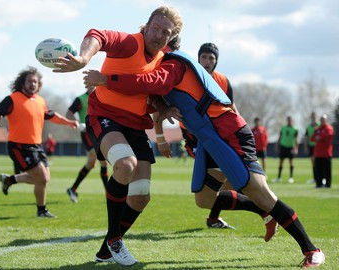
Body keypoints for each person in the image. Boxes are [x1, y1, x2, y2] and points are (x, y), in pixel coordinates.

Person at [83, 50, 325, 267]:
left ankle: (311, 249)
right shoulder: (165, 67)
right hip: (209, 140)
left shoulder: (173, 64)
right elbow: (150, 96)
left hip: (229, 134)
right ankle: (263, 211)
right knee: (204, 199)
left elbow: (150, 82)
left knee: (258, 190)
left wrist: (106, 79)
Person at [53, 6, 183, 266]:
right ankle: (115, 240)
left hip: (136, 124)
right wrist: (83, 58)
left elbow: (150, 92)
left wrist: (163, 108)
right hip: (104, 114)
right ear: (146, 26)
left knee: (141, 195)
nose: (158, 35)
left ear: (171, 38)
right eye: (155, 28)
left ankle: (105, 251)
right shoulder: (128, 43)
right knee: (125, 164)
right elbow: (97, 35)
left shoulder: (164, 60)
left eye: (165, 33)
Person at [155, 42, 238, 230]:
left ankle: (213, 218)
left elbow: (231, 108)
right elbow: (158, 108)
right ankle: (220, 215)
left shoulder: (223, 81)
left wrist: (241, 130)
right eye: (204, 57)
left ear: (216, 61)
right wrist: (161, 140)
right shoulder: (187, 77)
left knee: (227, 179)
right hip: (193, 136)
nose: (207, 61)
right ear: (198, 59)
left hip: (217, 133)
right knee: (222, 174)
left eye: (211, 58)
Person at [0, 66, 79, 218]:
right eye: (29, 81)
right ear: (22, 83)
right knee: (41, 178)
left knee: (44, 179)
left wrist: (68, 122)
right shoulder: (13, 98)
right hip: (18, 146)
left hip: (37, 146)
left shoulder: (40, 101)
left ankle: (10, 180)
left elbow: (52, 115)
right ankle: (41, 211)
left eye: (35, 81)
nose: (33, 84)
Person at [65, 84, 109, 203]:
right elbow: (68, 114)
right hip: (87, 133)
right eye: (89, 83)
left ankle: (72, 189)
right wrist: (78, 124)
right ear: (86, 84)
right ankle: (108, 193)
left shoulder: (101, 97)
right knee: (103, 161)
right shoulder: (80, 99)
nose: (91, 86)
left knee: (91, 164)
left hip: (99, 132)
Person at [273, 116, 298, 184]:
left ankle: (291, 177)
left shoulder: (295, 129)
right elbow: (280, 137)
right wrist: (277, 145)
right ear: (287, 121)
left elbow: (296, 140)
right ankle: (278, 177)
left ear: (292, 121)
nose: (289, 121)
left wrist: (296, 148)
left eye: (290, 120)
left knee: (291, 162)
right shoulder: (283, 128)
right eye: (288, 120)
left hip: (291, 147)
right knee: (281, 162)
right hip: (283, 146)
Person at [311, 114, 334, 188]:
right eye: (321, 119)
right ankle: (319, 184)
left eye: (323, 119)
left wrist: (319, 137)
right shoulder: (317, 129)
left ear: (326, 120)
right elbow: (312, 138)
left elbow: (326, 137)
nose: (322, 121)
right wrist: (319, 137)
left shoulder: (329, 128)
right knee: (318, 169)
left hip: (326, 153)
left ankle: (327, 185)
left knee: (327, 170)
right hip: (318, 153)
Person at [303, 112, 319, 183]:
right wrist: (306, 147)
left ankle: (322, 178)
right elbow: (306, 137)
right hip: (312, 146)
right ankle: (315, 178)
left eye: (314, 117)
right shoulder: (308, 127)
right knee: (313, 163)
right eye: (312, 117)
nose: (313, 118)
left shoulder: (319, 126)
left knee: (320, 162)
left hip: (319, 147)